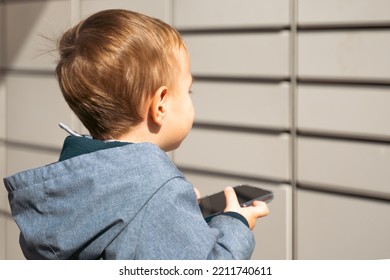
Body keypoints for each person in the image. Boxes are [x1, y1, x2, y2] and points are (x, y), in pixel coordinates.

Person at [3, 9, 269, 260]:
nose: (190, 97)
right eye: (188, 90)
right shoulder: (155, 192)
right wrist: (235, 224)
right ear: (160, 104)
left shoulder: (67, 188)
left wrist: (179, 217)